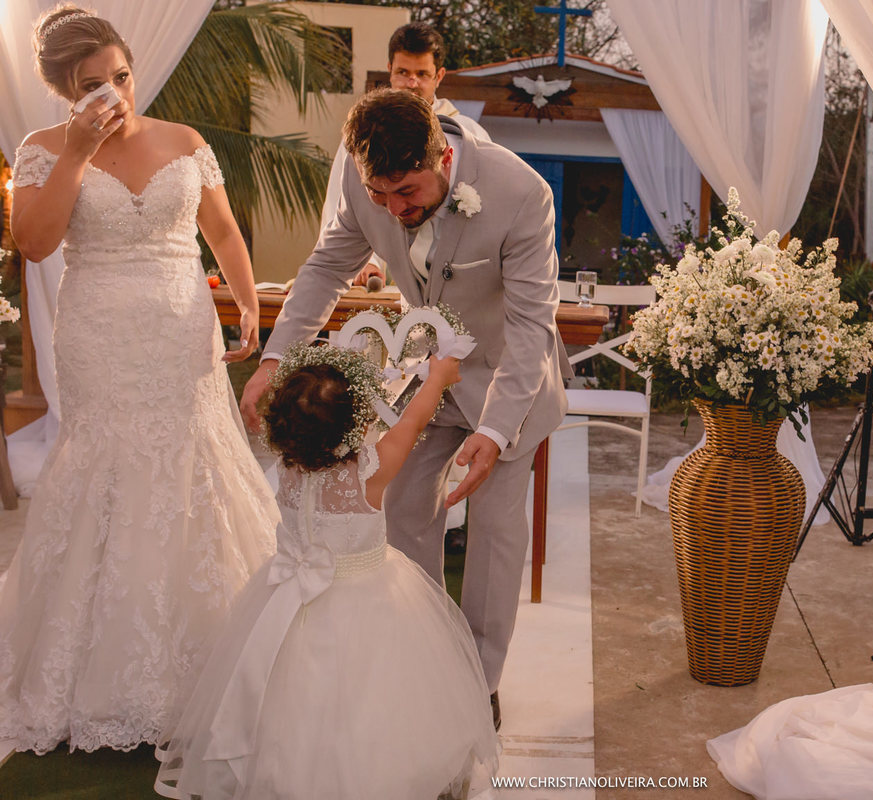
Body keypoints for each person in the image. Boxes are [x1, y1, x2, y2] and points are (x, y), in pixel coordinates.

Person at [240, 88, 569, 729]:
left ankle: (479, 678)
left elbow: (531, 330)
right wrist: (276, 360)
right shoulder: (369, 191)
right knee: (403, 512)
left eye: (407, 194)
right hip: (426, 381)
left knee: (496, 535)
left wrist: (496, 432)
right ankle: (425, 657)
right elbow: (321, 271)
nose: (393, 210)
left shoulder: (521, 194)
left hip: (510, 384)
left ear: (442, 155)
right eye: (379, 194)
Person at [1, 6, 278, 753]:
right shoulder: (42, 149)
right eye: (94, 85)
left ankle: (209, 660)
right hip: (99, 334)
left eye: (122, 76)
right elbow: (34, 241)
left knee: (193, 469)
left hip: (182, 329)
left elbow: (221, 231)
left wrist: (247, 302)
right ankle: (97, 675)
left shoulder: (183, 142)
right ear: (65, 90)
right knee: (107, 471)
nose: (115, 94)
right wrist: (76, 155)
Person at [155, 345, 498, 799]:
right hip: (370, 600)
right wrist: (437, 378)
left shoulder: (289, 466)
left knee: (286, 699)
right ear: (357, 424)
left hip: (285, 602)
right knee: (368, 700)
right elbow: (413, 420)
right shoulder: (369, 473)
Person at [322, 20, 490, 289]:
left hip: (452, 279)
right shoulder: (363, 133)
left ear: (439, 76)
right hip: (378, 281)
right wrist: (365, 262)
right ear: (389, 70)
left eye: (422, 74)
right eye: (403, 72)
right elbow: (340, 206)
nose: (411, 83)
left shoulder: (470, 137)